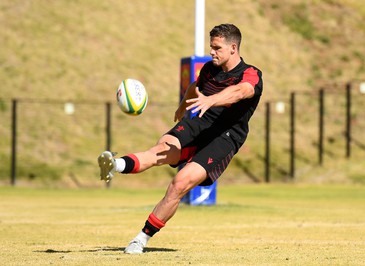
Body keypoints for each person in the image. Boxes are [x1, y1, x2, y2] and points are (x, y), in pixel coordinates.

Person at [98, 23, 263, 254]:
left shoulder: (251, 73)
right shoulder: (208, 69)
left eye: (216, 48)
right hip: (199, 123)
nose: (211, 52)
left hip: (224, 137)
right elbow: (195, 86)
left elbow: (240, 92)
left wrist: (210, 100)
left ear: (233, 48)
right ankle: (114, 164)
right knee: (159, 151)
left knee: (180, 183)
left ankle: (141, 239)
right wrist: (182, 107)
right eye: (210, 47)